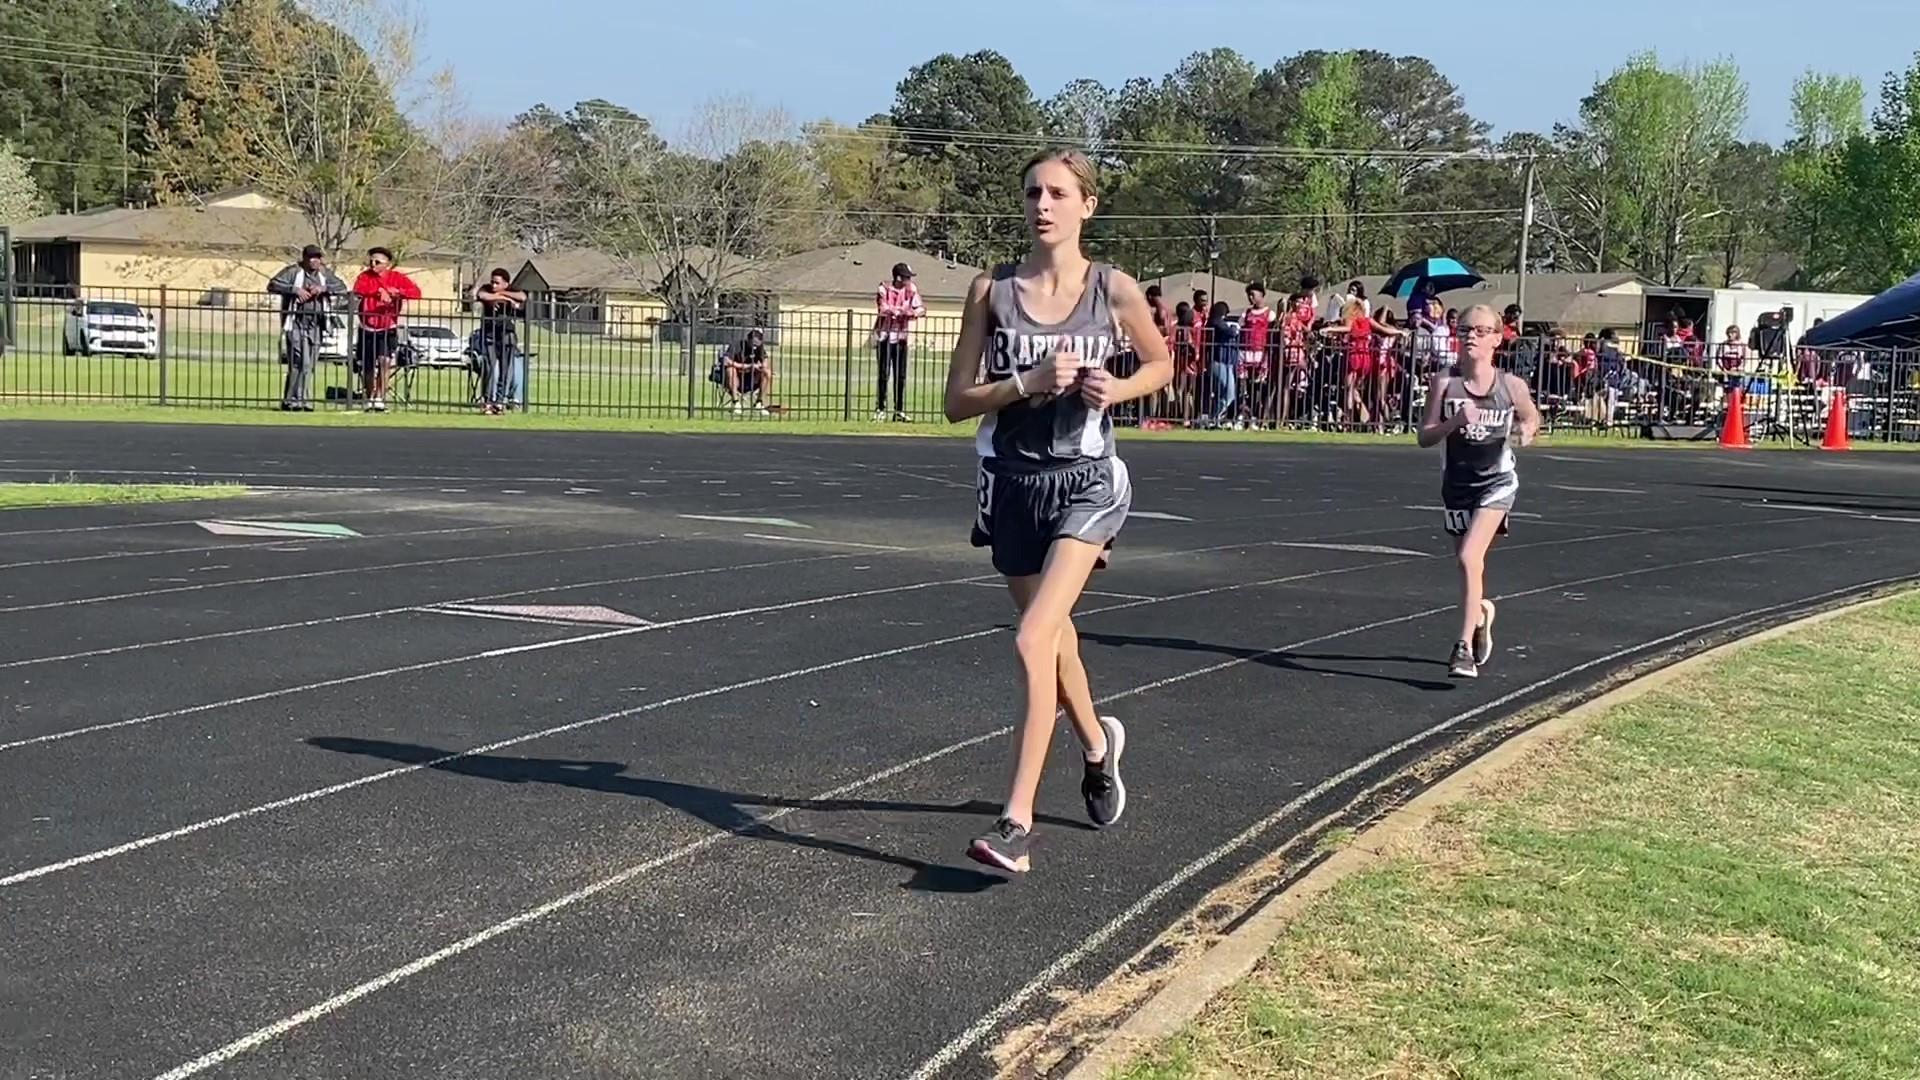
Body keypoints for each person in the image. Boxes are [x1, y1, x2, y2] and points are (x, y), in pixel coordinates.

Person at [942, 147, 1173, 874]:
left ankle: (1015, 822)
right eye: (1033, 193)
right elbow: (955, 403)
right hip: (1012, 485)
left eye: (1058, 193)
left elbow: (1161, 363)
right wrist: (1026, 381)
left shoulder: (1114, 289)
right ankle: (1100, 746)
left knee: (1031, 638)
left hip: (1087, 482)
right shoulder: (992, 291)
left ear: (1087, 205)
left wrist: (1120, 391)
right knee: (1058, 643)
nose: (1043, 205)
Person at [1417, 304, 1540, 680]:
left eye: (1482, 330)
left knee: (1470, 558)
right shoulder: (1444, 382)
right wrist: (1454, 421)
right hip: (1457, 486)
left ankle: (1463, 648)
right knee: (1469, 566)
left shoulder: (1510, 385)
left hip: (1496, 483)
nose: (1472, 336)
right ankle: (1482, 613)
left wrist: (1527, 431)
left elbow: (1531, 415)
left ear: (1497, 339)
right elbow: (1424, 436)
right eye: (1466, 329)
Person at [268, 245, 347, 413]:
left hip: (317, 323)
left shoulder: (324, 274)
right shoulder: (292, 272)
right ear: (304, 258)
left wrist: (323, 289)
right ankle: (298, 400)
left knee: (309, 363)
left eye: (318, 257)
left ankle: (292, 400)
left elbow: (342, 287)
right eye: (312, 257)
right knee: (299, 361)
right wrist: (294, 290)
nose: (315, 261)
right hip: (296, 321)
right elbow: (272, 285)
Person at [350, 247, 422, 412]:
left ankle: (380, 397)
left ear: (387, 264)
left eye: (377, 262)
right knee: (367, 365)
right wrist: (378, 291)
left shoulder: (397, 278)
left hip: (387, 326)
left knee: (385, 361)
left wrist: (397, 292)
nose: (373, 264)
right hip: (367, 327)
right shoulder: (364, 276)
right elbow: (359, 290)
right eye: (371, 261)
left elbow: (416, 292)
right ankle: (369, 397)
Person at [874, 262, 924, 421]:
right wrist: (897, 311)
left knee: (900, 375)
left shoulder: (911, 290)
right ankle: (880, 409)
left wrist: (911, 313)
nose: (909, 280)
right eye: (907, 277)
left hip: (901, 337)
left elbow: (920, 309)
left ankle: (899, 410)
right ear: (898, 277)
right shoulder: (884, 289)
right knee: (883, 374)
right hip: (885, 336)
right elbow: (883, 308)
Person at [473, 268, 525, 415]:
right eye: (492, 282)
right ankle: (488, 401)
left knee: (505, 369)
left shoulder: (513, 290)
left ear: (506, 284)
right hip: (489, 334)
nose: (493, 286)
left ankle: (500, 402)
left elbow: (522, 297)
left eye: (497, 283)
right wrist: (504, 298)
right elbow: (482, 295)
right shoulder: (486, 289)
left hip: (507, 335)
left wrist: (502, 295)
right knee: (489, 368)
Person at [719, 328, 775, 414]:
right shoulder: (737, 345)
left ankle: (759, 402)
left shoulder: (759, 348)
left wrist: (761, 366)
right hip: (736, 379)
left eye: (757, 344)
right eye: (753, 343)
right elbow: (726, 361)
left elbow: (765, 361)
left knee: (767, 372)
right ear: (748, 339)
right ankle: (736, 403)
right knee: (730, 370)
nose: (754, 347)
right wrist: (747, 366)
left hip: (751, 380)